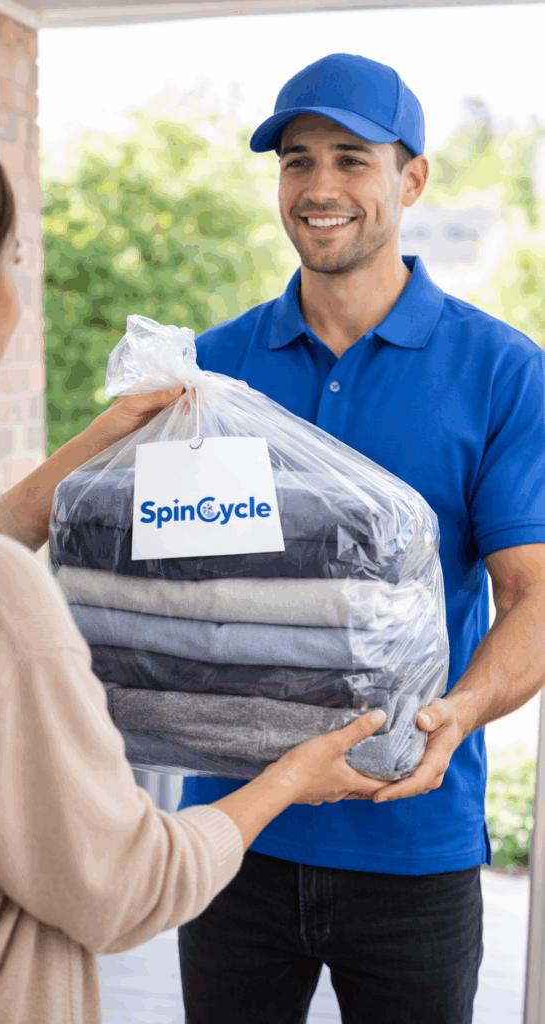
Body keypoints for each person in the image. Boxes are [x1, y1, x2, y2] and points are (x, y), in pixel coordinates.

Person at [0, 98, 391, 1024]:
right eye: (13, 262)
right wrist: (289, 778)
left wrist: (90, 449)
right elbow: (124, 887)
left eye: (352, 159)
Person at [176, 52, 545, 1024]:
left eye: (351, 159)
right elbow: (174, 585)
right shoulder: (211, 370)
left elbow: (532, 596)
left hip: (409, 839)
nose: (319, 187)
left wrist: (459, 712)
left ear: (410, 179)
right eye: (296, 161)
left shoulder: (500, 370)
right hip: (232, 831)